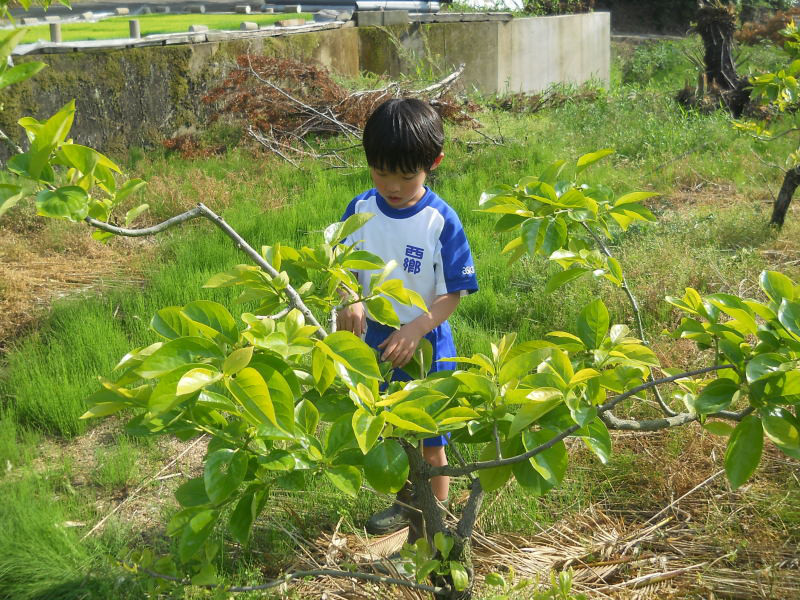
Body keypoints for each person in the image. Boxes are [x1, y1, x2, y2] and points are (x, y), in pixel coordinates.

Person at [337, 98, 479, 535]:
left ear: (432, 163)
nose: (392, 186)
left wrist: (417, 327)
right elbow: (339, 263)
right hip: (374, 341)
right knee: (390, 430)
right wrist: (348, 297)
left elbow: (453, 292)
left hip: (424, 343)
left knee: (430, 438)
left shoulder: (440, 221)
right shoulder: (361, 209)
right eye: (381, 173)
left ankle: (434, 520)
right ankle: (407, 501)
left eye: (406, 176)